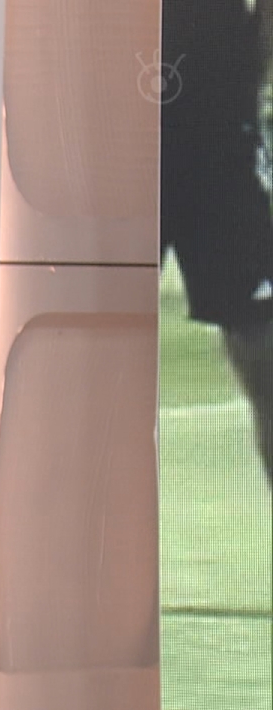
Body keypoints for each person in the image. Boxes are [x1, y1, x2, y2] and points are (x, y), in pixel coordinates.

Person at [161, 0, 273, 484]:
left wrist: (252, 57)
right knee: (91, 344)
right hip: (113, 95)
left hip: (218, 96)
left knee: (263, 342)